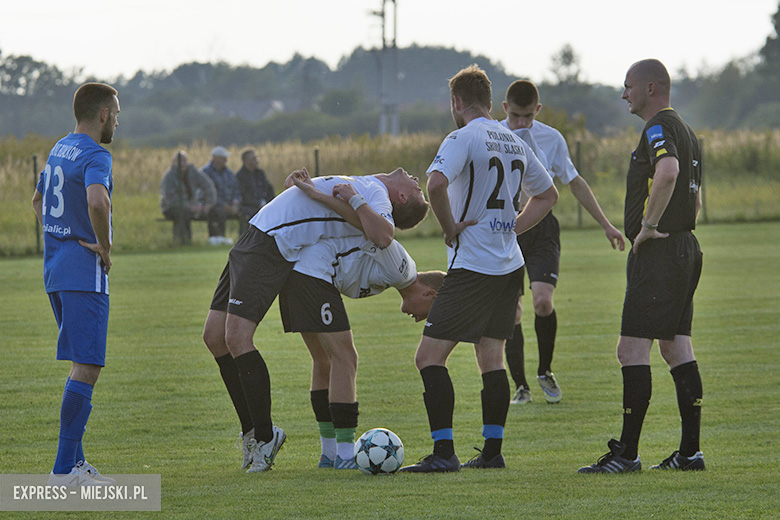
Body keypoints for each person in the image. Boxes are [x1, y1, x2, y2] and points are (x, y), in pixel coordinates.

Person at [202, 166, 429, 473]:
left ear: (400, 198)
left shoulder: (376, 195)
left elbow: (382, 234)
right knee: (215, 337)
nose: (415, 178)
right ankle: (254, 432)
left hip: (275, 241)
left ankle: (265, 435)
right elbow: (358, 222)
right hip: (258, 234)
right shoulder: (365, 186)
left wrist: (322, 194)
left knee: (237, 338)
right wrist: (312, 191)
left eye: (417, 189)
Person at [399, 65, 558, 473]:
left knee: (428, 358)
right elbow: (548, 194)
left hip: (473, 265)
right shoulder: (515, 139)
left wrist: (450, 228)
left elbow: (435, 184)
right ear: (491, 103)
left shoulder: (461, 136)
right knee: (492, 357)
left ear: (456, 102)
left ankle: (443, 452)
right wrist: (512, 227)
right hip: (510, 265)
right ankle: (492, 451)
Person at [578, 59, 704, 474]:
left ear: (651, 88)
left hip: (661, 253)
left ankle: (627, 454)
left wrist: (648, 227)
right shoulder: (687, 131)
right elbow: (695, 197)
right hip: (686, 247)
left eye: (628, 86)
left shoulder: (656, 128)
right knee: (676, 346)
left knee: (631, 348)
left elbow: (668, 172)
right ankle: (690, 454)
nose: (623, 93)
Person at [499, 80, 626, 406]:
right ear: (504, 110)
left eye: (528, 116)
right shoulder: (492, 135)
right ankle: (520, 385)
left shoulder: (551, 138)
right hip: (506, 230)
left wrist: (606, 224)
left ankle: (544, 370)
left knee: (542, 302)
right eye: (515, 117)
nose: (522, 123)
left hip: (542, 229)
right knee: (511, 311)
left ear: (537, 111)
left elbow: (575, 182)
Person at [31, 82, 120, 486]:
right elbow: (98, 201)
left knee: (78, 363)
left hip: (55, 270)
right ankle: (63, 470)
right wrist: (103, 245)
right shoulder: (97, 153)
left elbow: (37, 202)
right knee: (87, 365)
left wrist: (60, 236)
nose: (117, 120)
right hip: (84, 272)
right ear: (103, 114)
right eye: (116, 113)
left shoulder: (58, 148)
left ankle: (76, 464)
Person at [159, 151, 220, 245]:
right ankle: (184, 242)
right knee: (182, 212)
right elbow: (170, 199)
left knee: (215, 211)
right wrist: (189, 207)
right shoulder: (169, 177)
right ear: (173, 162)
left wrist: (208, 203)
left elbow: (208, 185)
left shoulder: (193, 172)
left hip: (192, 206)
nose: (182, 163)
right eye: (179, 161)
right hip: (171, 207)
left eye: (184, 160)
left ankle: (216, 240)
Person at [202, 146, 240, 245]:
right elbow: (207, 193)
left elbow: (236, 190)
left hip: (230, 205)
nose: (226, 160)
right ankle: (217, 238)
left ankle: (243, 240)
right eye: (223, 157)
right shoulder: (206, 172)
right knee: (218, 211)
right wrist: (224, 205)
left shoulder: (229, 173)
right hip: (214, 204)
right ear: (215, 158)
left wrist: (235, 204)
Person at [236, 148, 275, 234]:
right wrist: (258, 204)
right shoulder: (240, 176)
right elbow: (243, 194)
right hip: (248, 206)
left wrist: (271, 203)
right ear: (246, 161)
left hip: (263, 204)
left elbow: (269, 189)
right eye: (253, 159)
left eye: (256, 158)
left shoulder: (260, 173)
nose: (257, 161)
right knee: (249, 214)